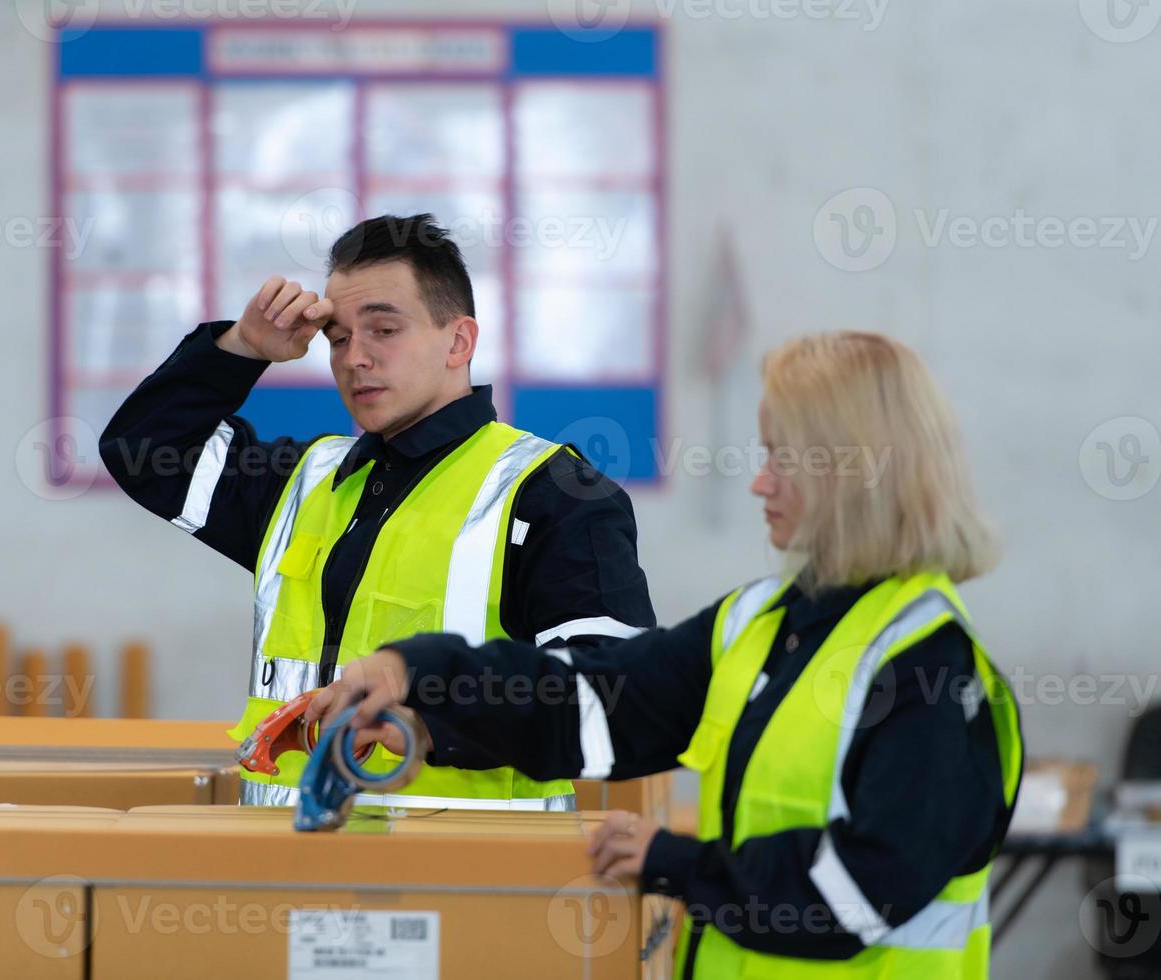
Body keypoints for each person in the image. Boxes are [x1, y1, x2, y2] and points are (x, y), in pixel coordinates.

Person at [310, 331, 1024, 977]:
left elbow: (858, 895)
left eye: (780, 458)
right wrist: (425, 676)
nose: (759, 481)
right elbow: (593, 704)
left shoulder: (932, 672)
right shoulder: (764, 624)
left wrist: (673, 862)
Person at [100, 213, 655, 809]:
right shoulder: (302, 482)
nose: (354, 358)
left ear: (459, 341)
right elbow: (143, 450)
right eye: (338, 338)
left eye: (384, 330)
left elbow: (615, 692)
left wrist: (428, 729)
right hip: (284, 873)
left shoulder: (553, 493)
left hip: (469, 885)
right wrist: (241, 348)